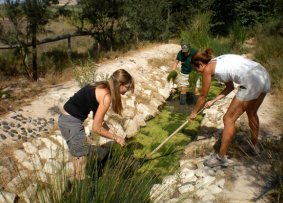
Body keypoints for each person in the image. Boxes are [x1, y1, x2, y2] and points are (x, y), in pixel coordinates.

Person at [189, 48, 271, 167]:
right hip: (262, 74)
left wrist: (194, 112)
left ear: (201, 64)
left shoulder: (207, 70)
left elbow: (202, 96)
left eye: (196, 69)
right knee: (252, 113)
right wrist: (213, 101)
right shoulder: (217, 60)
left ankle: (220, 157)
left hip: (251, 81)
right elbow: (230, 87)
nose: (199, 72)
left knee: (228, 119)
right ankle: (255, 147)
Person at [58, 69, 135, 179]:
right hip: (72, 123)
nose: (127, 91)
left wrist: (112, 133)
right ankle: (82, 193)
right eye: (127, 87)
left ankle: (76, 187)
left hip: (64, 120)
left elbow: (99, 120)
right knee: (81, 163)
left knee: (77, 157)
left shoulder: (100, 86)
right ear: (120, 84)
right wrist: (116, 138)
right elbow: (96, 128)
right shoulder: (106, 97)